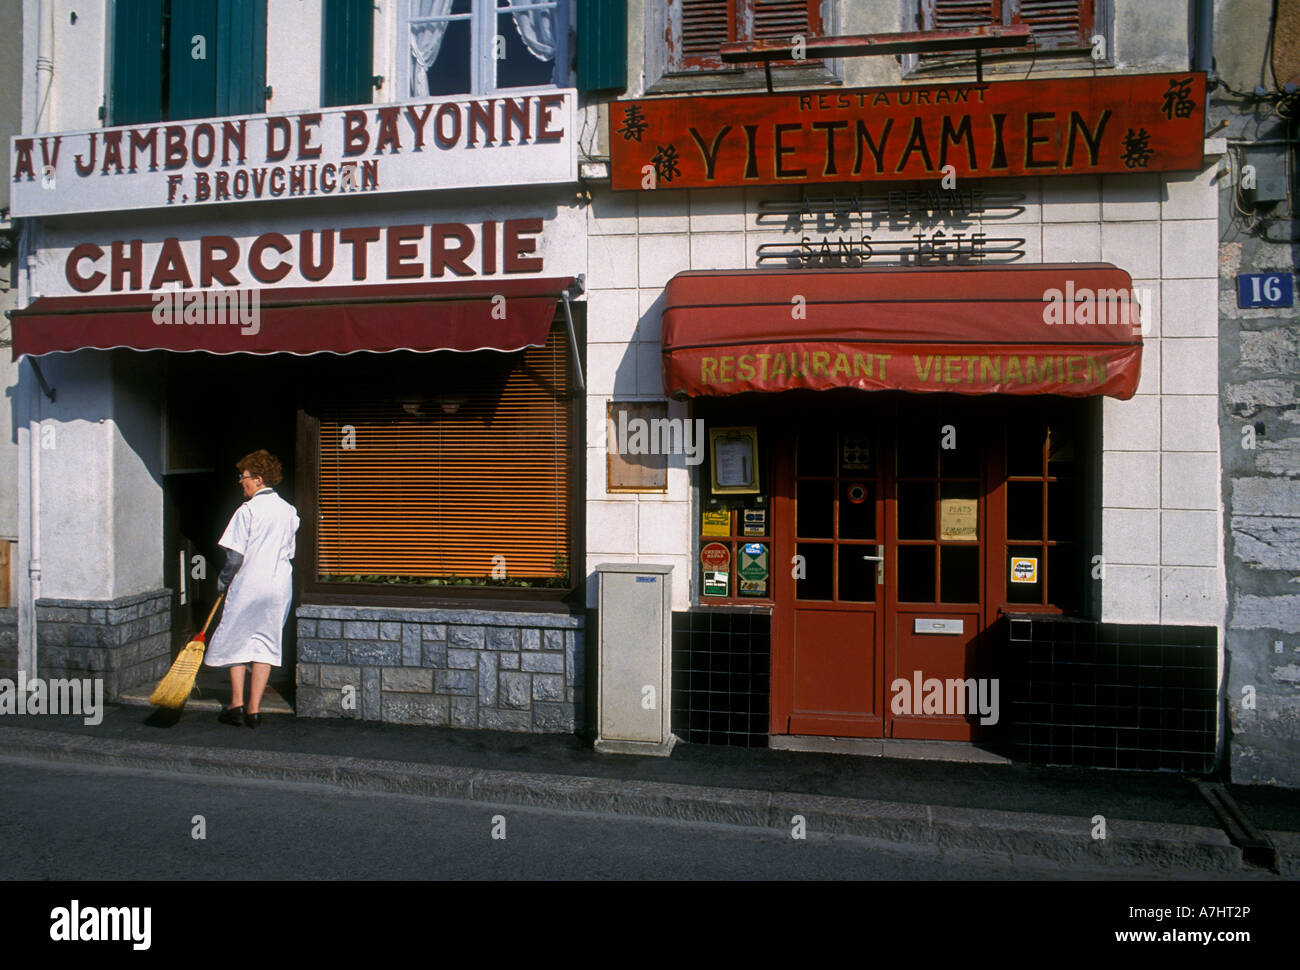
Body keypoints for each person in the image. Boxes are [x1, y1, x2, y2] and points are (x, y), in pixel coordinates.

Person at [207, 450, 299, 728]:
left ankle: (236, 704)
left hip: (249, 583)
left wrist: (222, 581)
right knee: (265, 643)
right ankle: (254, 711)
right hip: (279, 586)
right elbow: (289, 552)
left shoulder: (247, 510)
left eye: (243, 477)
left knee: (236, 638)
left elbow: (234, 557)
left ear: (258, 479)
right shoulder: (289, 511)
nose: (240, 482)